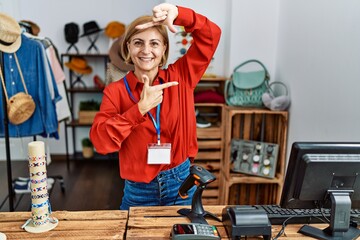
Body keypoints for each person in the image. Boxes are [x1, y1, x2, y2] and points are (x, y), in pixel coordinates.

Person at [90, 3, 221, 210]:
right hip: (139, 192)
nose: (146, 51)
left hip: (181, 185)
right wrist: (139, 110)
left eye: (154, 43)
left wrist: (179, 14)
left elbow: (211, 34)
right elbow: (101, 142)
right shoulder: (115, 91)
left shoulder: (181, 77)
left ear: (164, 49)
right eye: (138, 43)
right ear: (128, 48)